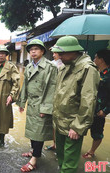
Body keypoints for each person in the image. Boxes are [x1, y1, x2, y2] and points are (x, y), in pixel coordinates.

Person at [51, 36, 100, 173]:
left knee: (70, 163)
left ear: (73, 52)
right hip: (60, 120)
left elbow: (88, 100)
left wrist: (78, 126)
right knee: (61, 156)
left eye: (61, 53)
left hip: (73, 124)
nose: (59, 56)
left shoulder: (88, 69)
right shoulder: (64, 67)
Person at [16, 39, 57, 172]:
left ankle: (34, 159)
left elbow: (52, 89)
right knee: (32, 130)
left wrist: (46, 108)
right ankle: (33, 151)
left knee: (39, 132)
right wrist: (22, 102)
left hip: (42, 103)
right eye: (31, 49)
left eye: (36, 49)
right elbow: (25, 86)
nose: (33, 51)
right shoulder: (28, 66)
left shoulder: (51, 67)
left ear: (42, 51)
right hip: (32, 103)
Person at [82, 49, 110, 159]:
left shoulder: (108, 76)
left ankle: (92, 151)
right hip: (88, 108)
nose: (94, 59)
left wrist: (105, 111)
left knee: (97, 132)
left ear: (101, 60)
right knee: (81, 128)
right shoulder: (95, 72)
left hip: (99, 110)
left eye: (96, 57)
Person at [45, 50, 64, 151]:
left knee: (60, 123)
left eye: (55, 53)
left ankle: (60, 145)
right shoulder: (52, 64)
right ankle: (55, 143)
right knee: (53, 123)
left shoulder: (66, 66)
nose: (53, 55)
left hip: (62, 98)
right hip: (53, 97)